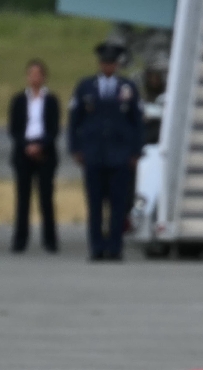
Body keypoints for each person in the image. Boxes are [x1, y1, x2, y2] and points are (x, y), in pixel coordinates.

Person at [69, 41, 144, 261]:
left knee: (118, 204)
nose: (108, 66)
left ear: (116, 65)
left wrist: (135, 151)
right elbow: (74, 120)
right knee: (95, 204)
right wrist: (76, 148)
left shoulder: (127, 87)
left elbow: (137, 122)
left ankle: (115, 247)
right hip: (93, 153)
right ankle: (96, 247)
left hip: (120, 155)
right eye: (104, 62)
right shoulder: (86, 86)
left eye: (111, 63)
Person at [8, 59, 60, 253]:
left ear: (44, 77)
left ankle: (50, 240)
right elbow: (14, 129)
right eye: (32, 74)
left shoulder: (51, 100)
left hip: (45, 153)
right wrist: (27, 146)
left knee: (46, 198)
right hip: (23, 151)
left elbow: (54, 128)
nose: (35, 78)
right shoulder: (18, 100)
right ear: (27, 77)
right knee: (23, 198)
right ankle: (20, 240)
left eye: (38, 74)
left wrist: (41, 145)